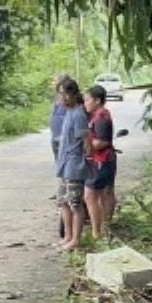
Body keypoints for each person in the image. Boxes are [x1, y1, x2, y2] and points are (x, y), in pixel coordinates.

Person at [55, 78, 88, 251]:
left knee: (75, 203)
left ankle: (76, 239)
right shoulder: (68, 112)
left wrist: (88, 161)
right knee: (63, 202)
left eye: (67, 94)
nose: (64, 98)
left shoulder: (78, 114)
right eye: (61, 94)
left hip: (75, 165)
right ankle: (68, 236)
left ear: (74, 94)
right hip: (64, 164)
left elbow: (86, 141)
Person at [83, 85, 116, 239]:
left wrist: (85, 144)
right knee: (102, 194)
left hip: (101, 161)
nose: (85, 103)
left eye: (88, 100)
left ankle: (97, 232)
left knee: (90, 196)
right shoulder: (98, 115)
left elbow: (102, 142)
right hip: (102, 160)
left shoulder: (101, 117)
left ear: (97, 100)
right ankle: (103, 227)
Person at [49, 75, 67, 159]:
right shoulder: (56, 98)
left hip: (64, 138)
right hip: (55, 136)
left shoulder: (69, 100)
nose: (52, 83)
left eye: (55, 81)